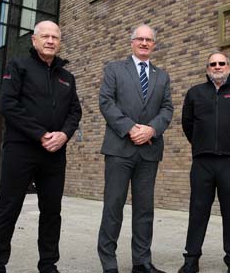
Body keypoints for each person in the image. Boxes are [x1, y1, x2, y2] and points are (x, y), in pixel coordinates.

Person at [0, 20, 82, 273]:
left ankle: (48, 265)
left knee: (52, 211)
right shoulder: (18, 66)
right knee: (8, 208)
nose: (50, 41)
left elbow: (75, 112)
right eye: (45, 36)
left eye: (55, 37)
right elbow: (8, 105)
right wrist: (40, 134)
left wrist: (64, 135)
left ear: (60, 42)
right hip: (21, 150)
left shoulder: (67, 77)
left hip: (55, 154)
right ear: (34, 40)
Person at [97, 24, 173, 273]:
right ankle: (109, 263)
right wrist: (131, 128)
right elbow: (106, 102)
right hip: (119, 149)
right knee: (113, 206)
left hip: (149, 150)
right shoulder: (115, 69)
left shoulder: (162, 76)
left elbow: (167, 109)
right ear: (132, 42)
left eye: (148, 40)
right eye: (139, 39)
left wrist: (151, 130)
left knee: (144, 209)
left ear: (154, 45)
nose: (144, 43)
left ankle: (141, 262)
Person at [178, 52, 230, 273]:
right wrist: (201, 144)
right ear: (207, 69)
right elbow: (188, 124)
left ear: (229, 67)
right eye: (213, 64)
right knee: (197, 211)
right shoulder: (195, 93)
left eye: (221, 63)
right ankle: (191, 260)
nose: (217, 66)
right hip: (202, 162)